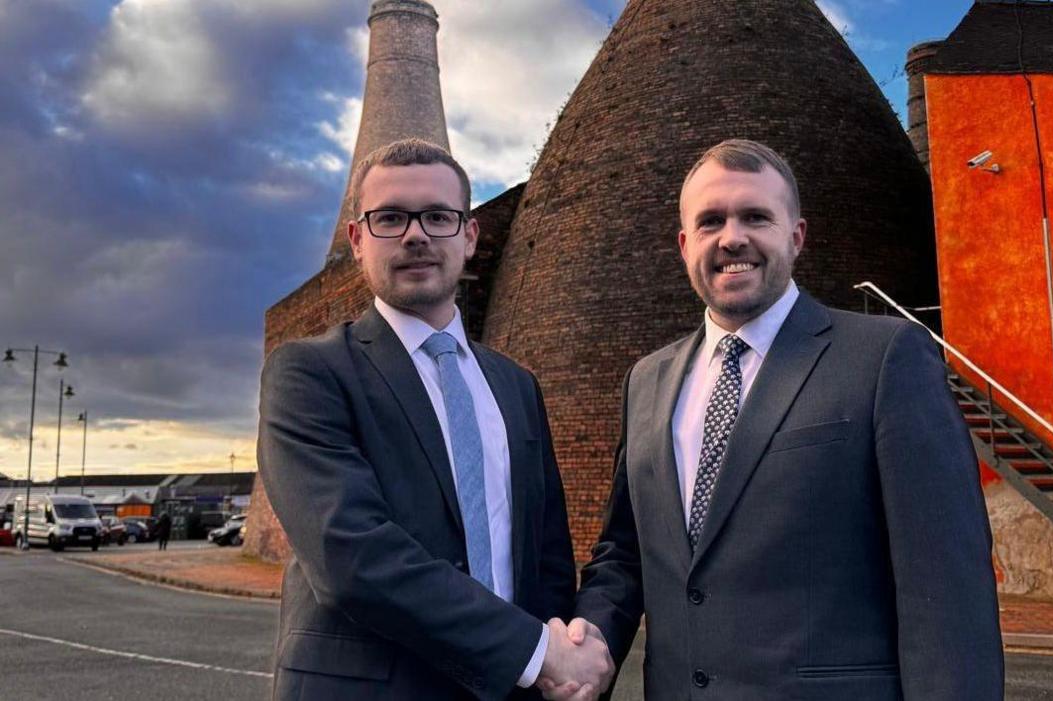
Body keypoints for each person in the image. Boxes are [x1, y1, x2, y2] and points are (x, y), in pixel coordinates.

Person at [556, 140, 1004, 700]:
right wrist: (589, 637)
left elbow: (946, 585)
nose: (732, 237)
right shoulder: (646, 381)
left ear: (796, 237)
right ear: (684, 244)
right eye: (711, 221)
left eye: (755, 217)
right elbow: (625, 552)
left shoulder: (885, 358)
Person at [258, 138, 613, 700]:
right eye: (391, 217)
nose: (416, 234)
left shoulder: (516, 385)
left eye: (438, 217)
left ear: (469, 235)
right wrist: (536, 653)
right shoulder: (309, 373)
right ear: (357, 239)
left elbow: (545, 554)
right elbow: (352, 554)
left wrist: (556, 664)